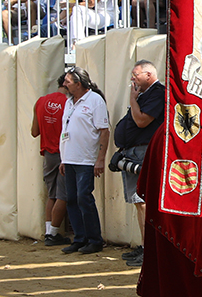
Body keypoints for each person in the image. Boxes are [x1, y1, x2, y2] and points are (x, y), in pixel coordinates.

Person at [111, 60, 165, 268]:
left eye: (136, 74)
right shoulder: (144, 94)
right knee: (138, 202)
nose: (132, 78)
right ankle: (145, 247)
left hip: (143, 152)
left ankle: (150, 251)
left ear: (149, 75)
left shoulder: (157, 92)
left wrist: (133, 99)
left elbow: (142, 121)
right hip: (134, 152)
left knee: (144, 202)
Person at [59, 67, 110, 255]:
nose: (64, 84)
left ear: (78, 84)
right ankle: (80, 239)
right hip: (70, 159)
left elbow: (104, 131)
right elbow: (65, 130)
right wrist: (63, 158)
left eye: (68, 82)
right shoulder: (69, 103)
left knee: (84, 198)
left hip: (86, 159)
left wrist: (100, 159)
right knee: (71, 199)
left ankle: (94, 239)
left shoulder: (95, 101)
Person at [32, 81, 70, 246]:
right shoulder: (68, 103)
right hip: (63, 153)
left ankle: (49, 231)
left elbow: (34, 132)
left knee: (52, 194)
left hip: (47, 153)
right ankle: (53, 233)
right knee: (63, 195)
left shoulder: (40, 101)